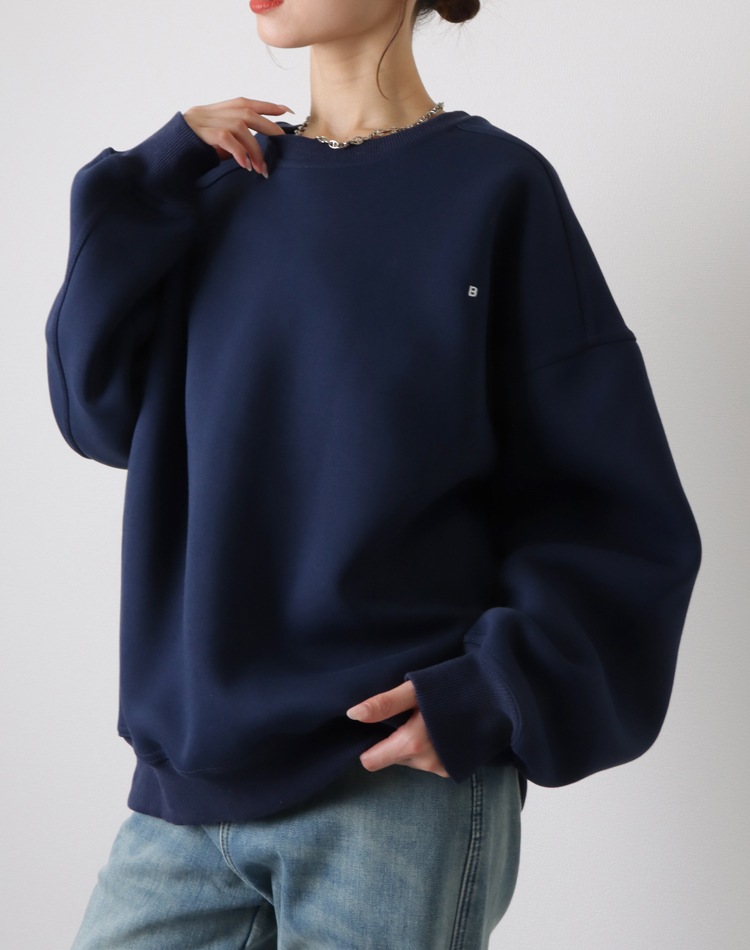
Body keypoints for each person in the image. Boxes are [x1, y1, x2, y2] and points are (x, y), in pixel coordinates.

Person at [44, 0, 702, 946]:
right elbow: (94, 409)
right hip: (185, 794)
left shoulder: (495, 190)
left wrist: (496, 689)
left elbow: (611, 506)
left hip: (391, 789)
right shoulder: (210, 189)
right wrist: (150, 179)